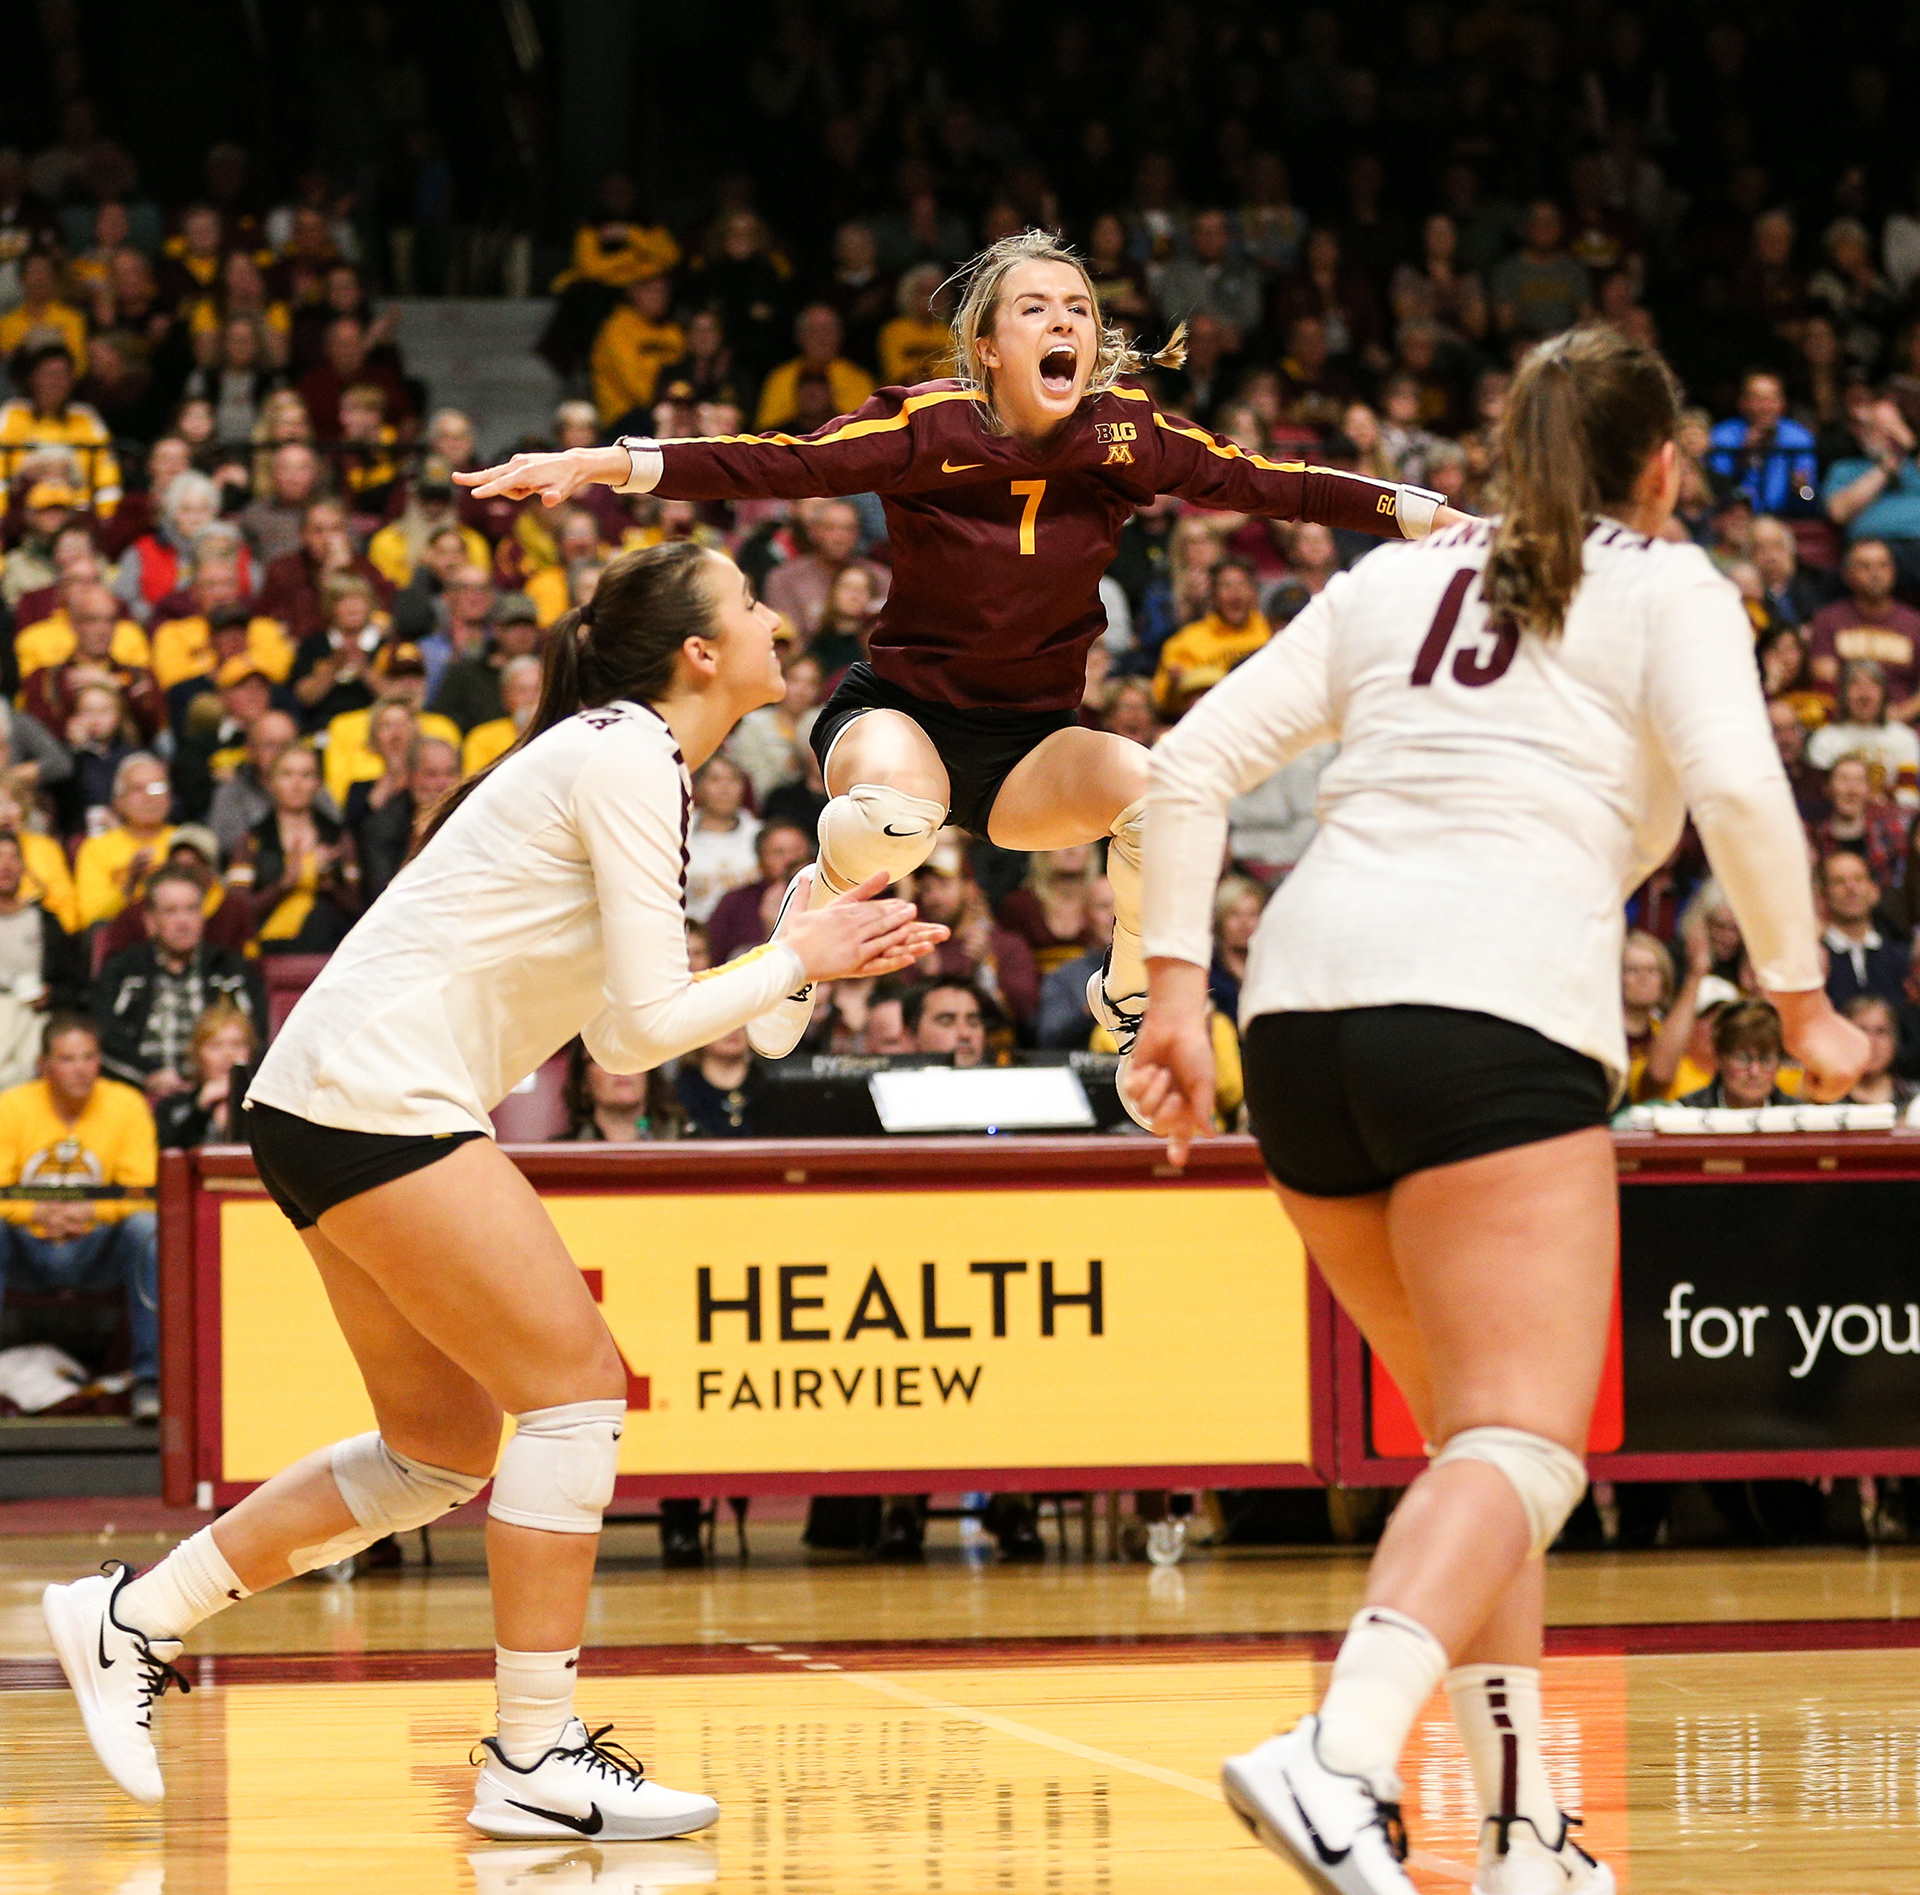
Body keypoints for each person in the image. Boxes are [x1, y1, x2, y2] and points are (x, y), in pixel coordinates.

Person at [38, 540, 946, 1830]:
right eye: (750, 603)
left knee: (440, 1449)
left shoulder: (630, 753)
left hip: (326, 1098)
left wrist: (800, 947)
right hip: (373, 1097)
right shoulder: (627, 753)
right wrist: (794, 946)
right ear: (701, 651)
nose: (772, 617)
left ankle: (136, 1612)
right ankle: (532, 1755)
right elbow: (640, 1030)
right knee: (575, 1391)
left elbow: (681, 1023)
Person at [1129, 326, 1865, 1895]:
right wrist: (1802, 1001)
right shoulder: (1668, 584)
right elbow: (1739, 793)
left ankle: (1529, 1825)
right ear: (1660, 466)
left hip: (1304, 1018)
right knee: (1527, 1443)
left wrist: (1180, 997)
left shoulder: (1395, 580)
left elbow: (1180, 770)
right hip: (1490, 1004)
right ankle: (1337, 1756)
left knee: (1480, 1449)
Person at [461, 229, 1458, 1123]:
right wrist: (608, 463)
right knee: (895, 815)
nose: (1064, 320)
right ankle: (811, 903)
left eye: (1079, 308)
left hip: (1032, 746)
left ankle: (1125, 984)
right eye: (1035, 307)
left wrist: (1429, 518)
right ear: (988, 346)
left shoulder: (1126, 432)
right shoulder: (928, 425)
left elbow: (1273, 482)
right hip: (903, 713)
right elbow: (779, 463)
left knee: (1167, 795)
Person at [0, 1014, 158, 1418]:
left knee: (147, 1229)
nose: (81, 1069)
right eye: (68, 1059)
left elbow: (142, 1190)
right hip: (27, 1247)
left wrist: (90, 1210)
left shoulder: (127, 1104)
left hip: (97, 1247)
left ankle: (149, 1381)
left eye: (89, 1057)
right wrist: (38, 1211)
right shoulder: (12, 1106)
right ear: (44, 1065)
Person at [92, 867, 263, 1099]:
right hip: (138, 1093)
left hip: (217, 1094)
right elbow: (102, 1038)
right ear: (151, 921)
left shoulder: (231, 969)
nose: (183, 922)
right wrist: (148, 1075)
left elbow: (255, 1038)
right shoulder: (124, 969)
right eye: (171, 911)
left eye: (191, 910)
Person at [153, 1000, 258, 1149]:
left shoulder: (265, 1105)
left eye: (237, 1044)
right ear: (197, 1054)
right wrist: (199, 1109)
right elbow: (168, 1155)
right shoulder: (171, 1106)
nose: (227, 1055)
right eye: (215, 1046)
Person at [1820, 849, 1909, 1009]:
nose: (1851, 888)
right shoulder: (1816, 962)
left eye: (1859, 879)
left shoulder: (1901, 958)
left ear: (1874, 890)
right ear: (1824, 895)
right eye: (1839, 881)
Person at [1678, 999, 1795, 1109]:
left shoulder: (1800, 1118)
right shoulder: (1684, 1114)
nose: (1754, 1072)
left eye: (1765, 1059)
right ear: (1719, 1057)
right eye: (1743, 1059)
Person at [1841, 993, 1918, 1110]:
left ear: (1895, 1040)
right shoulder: (1821, 1101)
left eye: (1881, 1031)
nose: (1872, 1042)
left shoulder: (1915, 1099)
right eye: (1862, 1030)